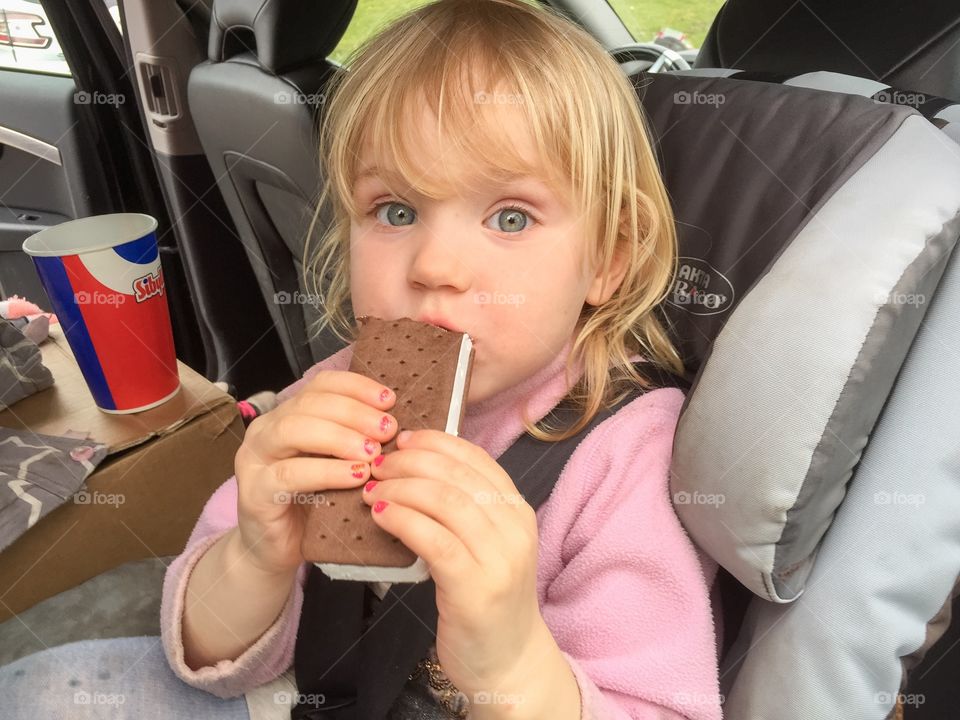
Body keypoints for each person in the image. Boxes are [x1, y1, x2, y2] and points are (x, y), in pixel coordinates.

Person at [0, 1, 721, 718]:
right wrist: (256, 556)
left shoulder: (622, 458)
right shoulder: (337, 388)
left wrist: (514, 661)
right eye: (396, 212)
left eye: (511, 218)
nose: (435, 264)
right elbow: (205, 649)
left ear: (610, 258)